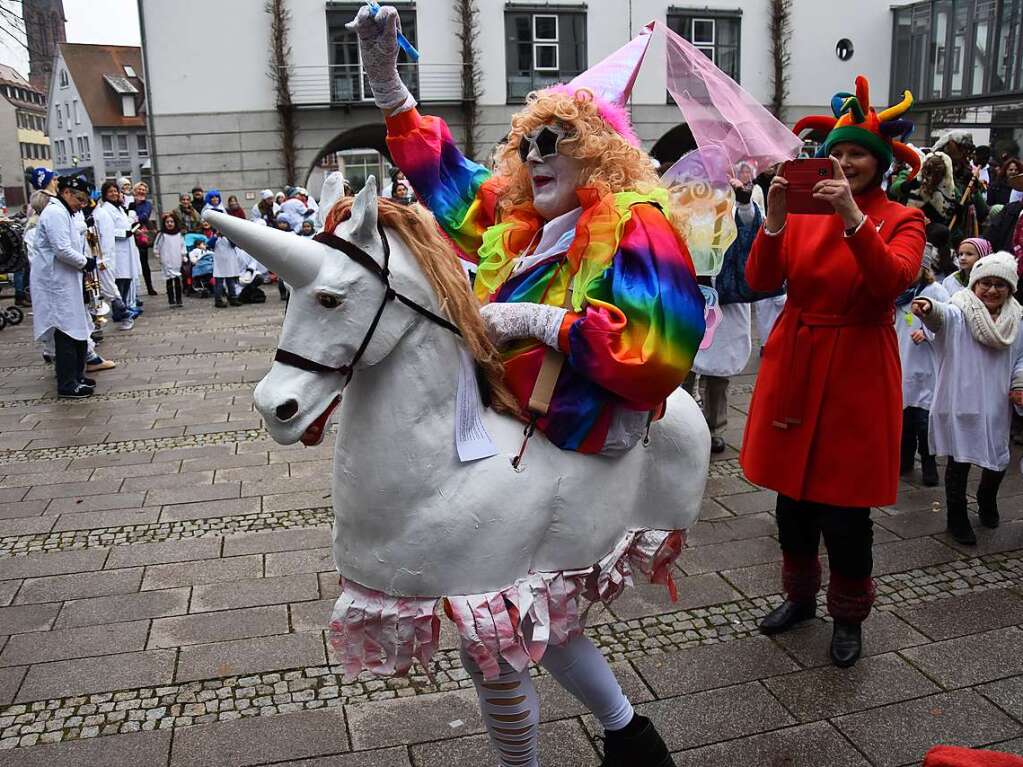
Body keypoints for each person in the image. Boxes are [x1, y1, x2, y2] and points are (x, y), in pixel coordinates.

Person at [350, 7, 708, 765]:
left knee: (494, 624)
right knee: (533, 618)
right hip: (506, 419)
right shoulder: (520, 220)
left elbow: (660, 349)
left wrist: (543, 322)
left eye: (556, 142)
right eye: (526, 143)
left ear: (600, 158)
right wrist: (388, 88)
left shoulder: (635, 224)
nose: (534, 156)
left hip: (574, 430)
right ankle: (630, 737)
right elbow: (454, 186)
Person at [741, 76, 925, 668]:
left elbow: (892, 281)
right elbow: (762, 282)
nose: (845, 163)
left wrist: (851, 216)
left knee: (846, 512)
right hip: (796, 355)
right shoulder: (801, 210)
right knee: (791, 501)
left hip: (856, 368)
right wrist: (772, 221)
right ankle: (799, 599)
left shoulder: (903, 218)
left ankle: (849, 615)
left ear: (879, 164)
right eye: (837, 153)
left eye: (858, 156)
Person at [911, 251, 1023, 544]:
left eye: (1000, 284)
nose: (992, 290)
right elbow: (941, 317)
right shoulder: (960, 309)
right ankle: (957, 516)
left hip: (997, 401)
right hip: (961, 397)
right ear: (974, 285)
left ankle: (987, 499)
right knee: (959, 459)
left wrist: (1020, 382)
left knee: (998, 459)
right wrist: (929, 308)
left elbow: (1022, 357)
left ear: (1009, 288)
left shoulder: (1017, 319)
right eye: (986, 282)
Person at [686, 177, 763, 453]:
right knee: (683, 362)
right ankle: (682, 423)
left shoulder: (740, 198)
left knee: (719, 367)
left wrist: (743, 202)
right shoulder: (689, 198)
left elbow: (754, 229)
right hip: (692, 294)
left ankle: (714, 426)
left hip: (726, 298)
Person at [30, 175, 97, 398]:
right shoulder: (55, 213)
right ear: (67, 192)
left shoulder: (66, 212)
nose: (82, 204)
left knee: (76, 326)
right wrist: (85, 262)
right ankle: (67, 382)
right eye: (80, 199)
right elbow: (61, 249)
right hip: (55, 283)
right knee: (66, 330)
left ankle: (76, 376)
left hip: (67, 279)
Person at [896, 251, 949, 486]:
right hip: (902, 358)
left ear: (924, 268)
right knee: (904, 415)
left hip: (925, 363)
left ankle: (929, 465)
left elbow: (948, 322)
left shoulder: (935, 292)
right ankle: (905, 460)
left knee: (923, 419)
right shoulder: (896, 293)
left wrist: (927, 332)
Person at [94, 181, 141, 330]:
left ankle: (124, 307)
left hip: (126, 249)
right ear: (104, 194)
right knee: (118, 282)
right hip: (116, 250)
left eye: (116, 191)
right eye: (110, 192)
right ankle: (119, 313)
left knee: (127, 280)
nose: (114, 194)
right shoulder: (105, 210)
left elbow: (126, 223)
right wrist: (123, 233)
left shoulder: (119, 208)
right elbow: (106, 231)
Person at [129, 181, 157, 296]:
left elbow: (144, 217)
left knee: (144, 262)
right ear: (134, 190)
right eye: (139, 189)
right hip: (130, 234)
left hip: (141, 236)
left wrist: (133, 219)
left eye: (143, 190)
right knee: (131, 263)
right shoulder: (129, 202)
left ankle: (149, 286)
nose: (141, 191)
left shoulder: (148, 204)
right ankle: (133, 289)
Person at [155, 212, 185, 308]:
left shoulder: (178, 234)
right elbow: (157, 245)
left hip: (176, 260)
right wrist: (157, 254)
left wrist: (183, 255)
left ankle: (179, 299)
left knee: (177, 280)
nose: (169, 224)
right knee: (169, 280)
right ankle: (171, 300)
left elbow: (182, 245)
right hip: (166, 260)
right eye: (167, 222)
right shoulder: (162, 234)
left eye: (171, 221)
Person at [209, 227, 241, 308]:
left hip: (229, 261)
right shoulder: (214, 237)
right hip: (219, 263)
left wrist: (227, 234)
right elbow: (209, 244)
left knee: (231, 282)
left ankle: (233, 298)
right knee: (219, 283)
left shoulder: (229, 236)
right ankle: (218, 300)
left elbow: (234, 244)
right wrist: (216, 235)